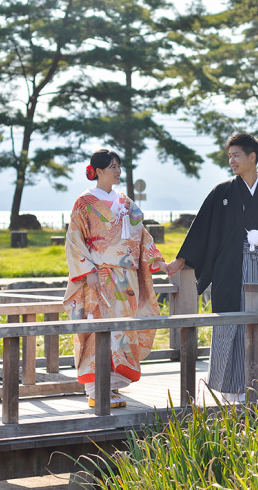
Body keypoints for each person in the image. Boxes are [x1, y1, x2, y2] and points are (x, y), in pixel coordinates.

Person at [166, 133, 258, 402]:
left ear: (252, 157)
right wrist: (181, 260)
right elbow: (202, 228)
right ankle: (228, 390)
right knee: (229, 324)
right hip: (229, 270)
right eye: (229, 156)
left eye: (236, 155)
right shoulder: (223, 192)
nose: (231, 161)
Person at [63, 149, 169, 408]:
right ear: (98, 171)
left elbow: (141, 235)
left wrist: (156, 259)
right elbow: (75, 239)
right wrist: (88, 272)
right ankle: (95, 389)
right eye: (112, 166)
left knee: (121, 331)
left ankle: (111, 386)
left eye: (119, 166)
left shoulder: (126, 202)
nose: (118, 171)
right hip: (99, 276)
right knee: (97, 330)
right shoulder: (84, 202)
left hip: (126, 281)